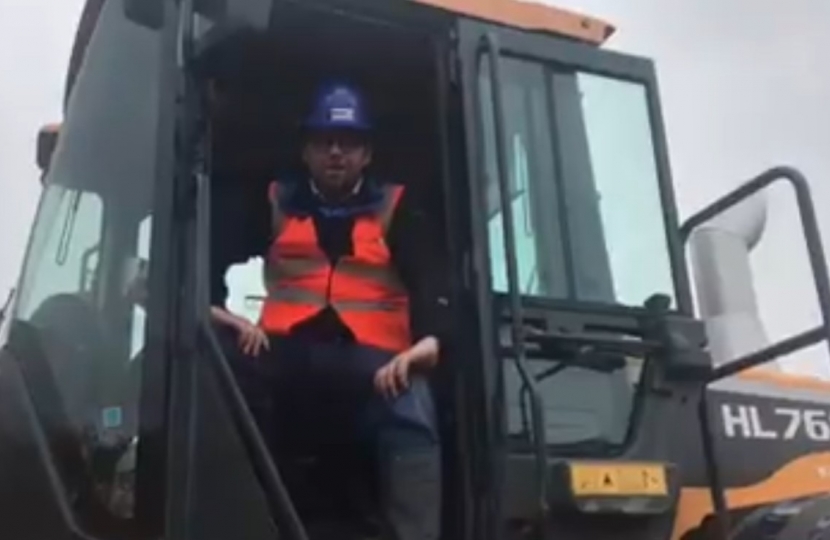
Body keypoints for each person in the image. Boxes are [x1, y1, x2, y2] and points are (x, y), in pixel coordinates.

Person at [210, 82, 449, 540]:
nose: (335, 152)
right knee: (216, 372)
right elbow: (202, 263)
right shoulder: (276, 201)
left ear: (366, 154)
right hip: (284, 353)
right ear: (306, 151)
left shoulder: (397, 207)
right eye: (324, 142)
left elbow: (434, 287)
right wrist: (227, 318)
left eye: (348, 143)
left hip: (373, 362)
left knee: (412, 402)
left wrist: (422, 350)